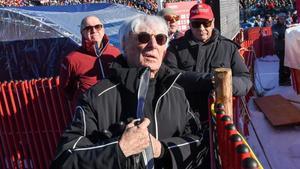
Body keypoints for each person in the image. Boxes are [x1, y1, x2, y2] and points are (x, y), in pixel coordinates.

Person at [50, 15, 205, 169]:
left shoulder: (176, 92)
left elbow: (200, 141)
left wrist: (163, 149)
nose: (153, 45)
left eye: (160, 39)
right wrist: (119, 149)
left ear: (164, 49)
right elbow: (65, 159)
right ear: (124, 45)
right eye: (143, 37)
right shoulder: (97, 96)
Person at [164, 3, 252, 167]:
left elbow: (246, 80)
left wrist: (226, 85)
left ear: (213, 22)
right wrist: (207, 80)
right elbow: (169, 76)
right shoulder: (176, 48)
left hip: (220, 123)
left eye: (207, 23)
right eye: (196, 24)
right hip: (184, 122)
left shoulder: (228, 47)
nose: (202, 28)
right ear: (190, 24)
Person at [59, 15, 120, 107]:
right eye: (88, 28)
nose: (94, 30)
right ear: (82, 33)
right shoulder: (72, 59)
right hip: (91, 110)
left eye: (97, 27)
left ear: (103, 29)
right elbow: (67, 89)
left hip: (116, 106)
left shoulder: (115, 52)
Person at [272, 12, 291, 86]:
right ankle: (282, 81)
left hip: (286, 48)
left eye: (284, 18)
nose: (283, 20)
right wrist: (283, 37)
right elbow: (275, 35)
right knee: (282, 64)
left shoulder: (286, 26)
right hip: (280, 48)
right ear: (278, 19)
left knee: (287, 64)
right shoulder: (275, 26)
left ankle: (287, 78)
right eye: (281, 18)